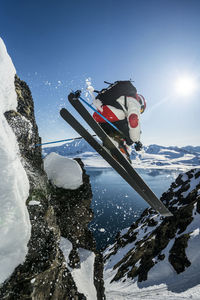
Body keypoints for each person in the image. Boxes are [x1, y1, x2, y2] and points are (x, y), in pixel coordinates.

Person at [92, 80, 146, 158]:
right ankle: (121, 148)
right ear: (141, 104)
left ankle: (113, 143)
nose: (139, 112)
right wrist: (134, 139)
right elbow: (133, 119)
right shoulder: (135, 101)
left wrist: (136, 142)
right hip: (112, 116)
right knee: (132, 131)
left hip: (99, 117)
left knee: (122, 131)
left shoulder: (122, 97)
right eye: (141, 110)